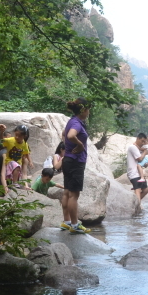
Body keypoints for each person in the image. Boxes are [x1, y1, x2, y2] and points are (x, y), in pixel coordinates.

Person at [60, 98, 91, 234]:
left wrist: (67, 147)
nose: (89, 112)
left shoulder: (72, 121)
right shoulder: (77, 123)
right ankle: (74, 225)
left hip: (67, 159)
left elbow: (64, 134)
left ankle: (66, 222)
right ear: (83, 110)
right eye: (88, 109)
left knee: (67, 192)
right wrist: (79, 144)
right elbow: (71, 135)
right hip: (76, 162)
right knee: (74, 195)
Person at [126, 133, 148, 203]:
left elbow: (141, 161)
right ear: (137, 138)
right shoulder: (132, 147)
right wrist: (145, 153)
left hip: (139, 173)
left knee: (146, 190)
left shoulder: (139, 148)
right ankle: (138, 205)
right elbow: (139, 158)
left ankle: (134, 203)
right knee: (137, 189)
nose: (143, 143)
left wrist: (145, 164)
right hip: (133, 173)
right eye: (142, 141)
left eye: (144, 141)